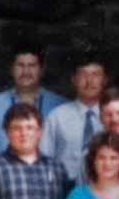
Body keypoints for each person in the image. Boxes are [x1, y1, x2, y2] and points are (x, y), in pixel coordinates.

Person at [0, 43, 66, 157]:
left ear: (42, 70)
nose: (26, 72)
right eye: (20, 65)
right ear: (11, 69)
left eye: (32, 66)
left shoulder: (58, 106)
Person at [41, 52, 109, 183]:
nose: (89, 81)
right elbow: (44, 159)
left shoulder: (112, 117)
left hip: (103, 188)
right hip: (65, 186)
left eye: (96, 74)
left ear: (104, 80)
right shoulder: (57, 117)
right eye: (83, 75)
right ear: (74, 80)